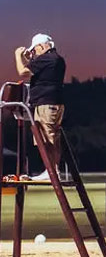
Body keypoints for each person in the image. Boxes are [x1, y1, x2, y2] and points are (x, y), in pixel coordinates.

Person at [14, 33, 66, 182]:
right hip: (53, 103)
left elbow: (23, 72)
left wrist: (18, 55)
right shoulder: (56, 59)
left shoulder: (46, 59)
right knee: (50, 138)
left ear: (42, 46)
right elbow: (31, 68)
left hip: (46, 104)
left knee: (47, 138)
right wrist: (28, 58)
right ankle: (51, 170)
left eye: (35, 50)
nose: (34, 54)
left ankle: (52, 172)